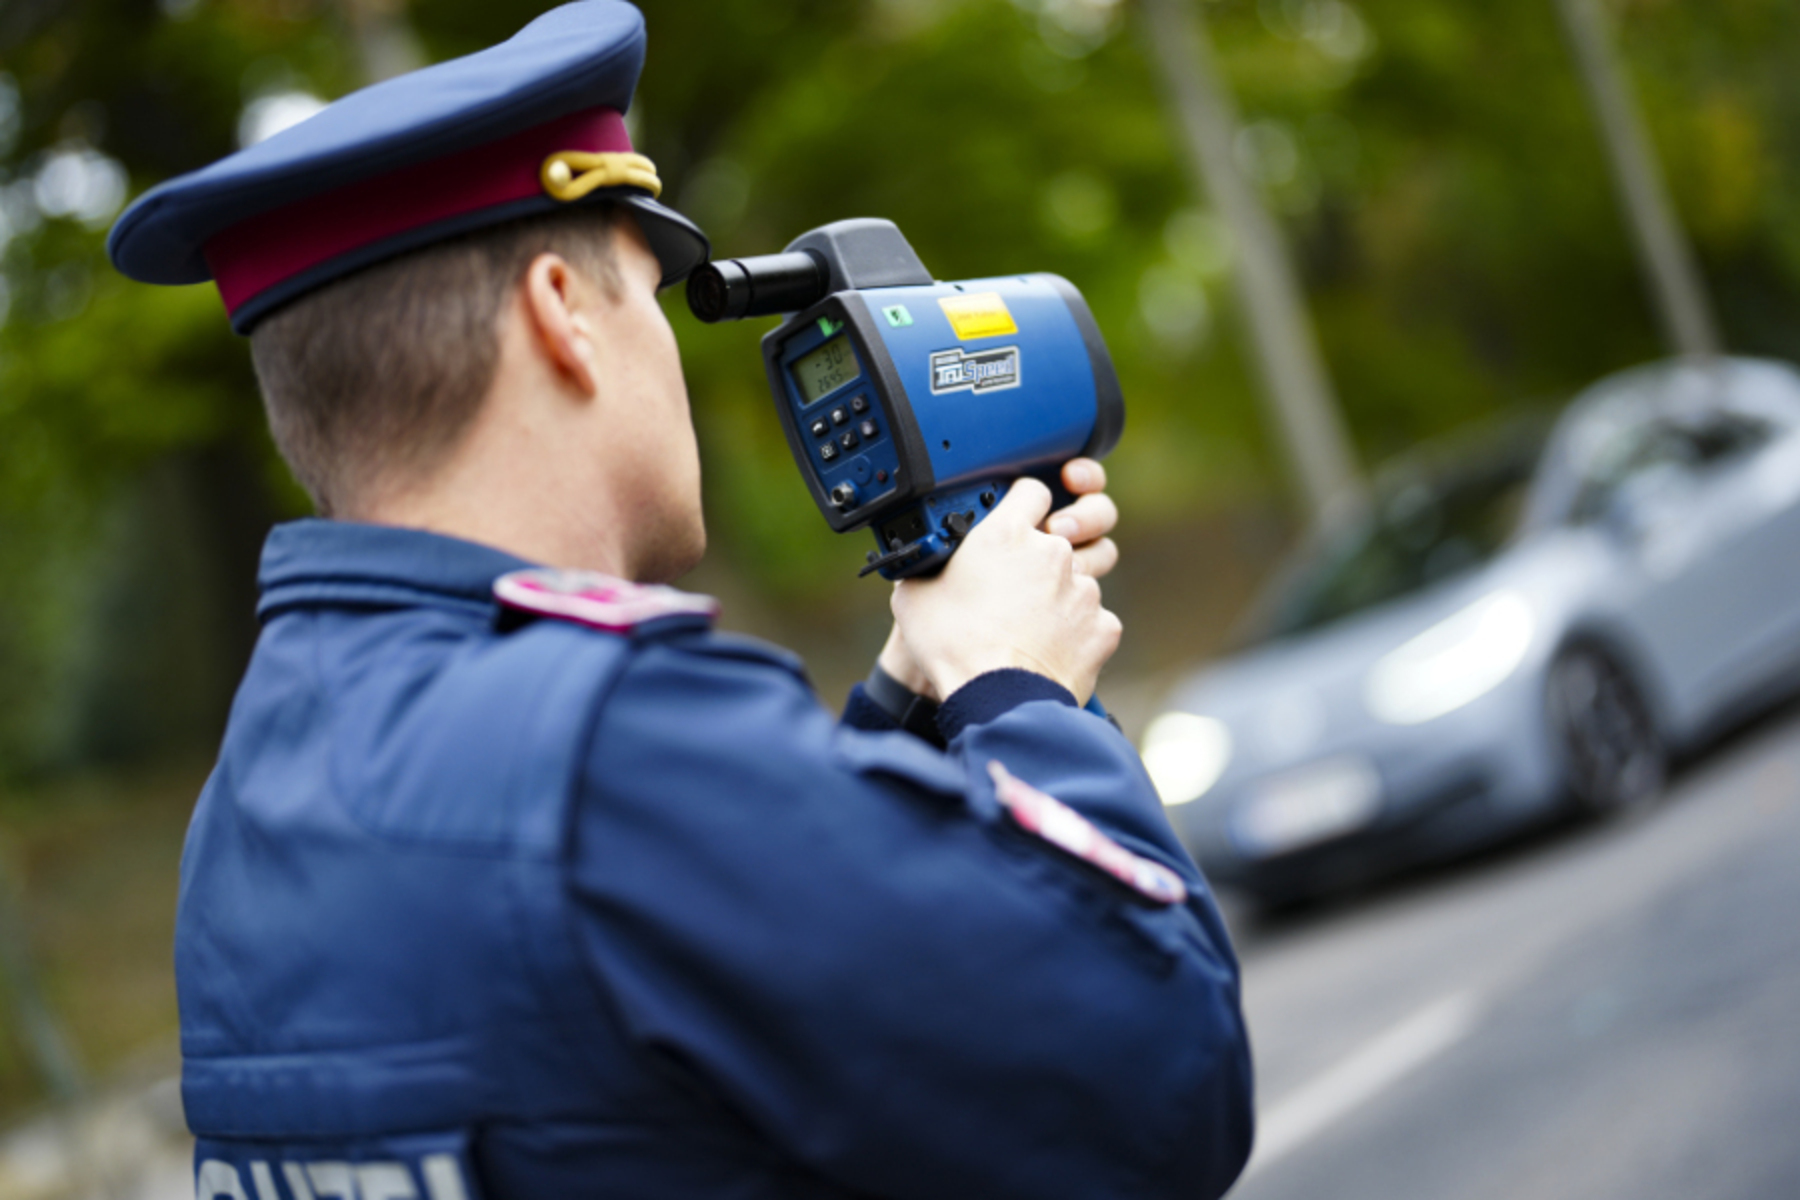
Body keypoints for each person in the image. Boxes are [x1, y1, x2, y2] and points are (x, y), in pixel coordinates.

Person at [108, 3, 1254, 1197]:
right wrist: (1022, 697)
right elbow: (1157, 1082)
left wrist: (908, 705)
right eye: (648, 296)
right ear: (561, 313)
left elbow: (668, 1030)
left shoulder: (244, 814)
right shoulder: (608, 753)